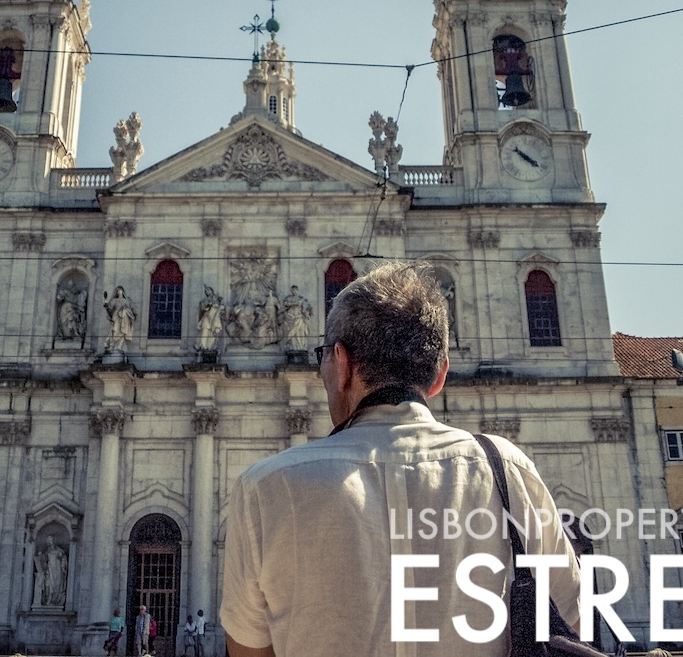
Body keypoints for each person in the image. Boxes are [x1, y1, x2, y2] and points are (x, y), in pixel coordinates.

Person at [221, 262, 580, 657]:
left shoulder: (266, 486)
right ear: (440, 375)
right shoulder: (506, 469)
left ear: (341, 364)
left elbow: (249, 650)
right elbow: (571, 619)